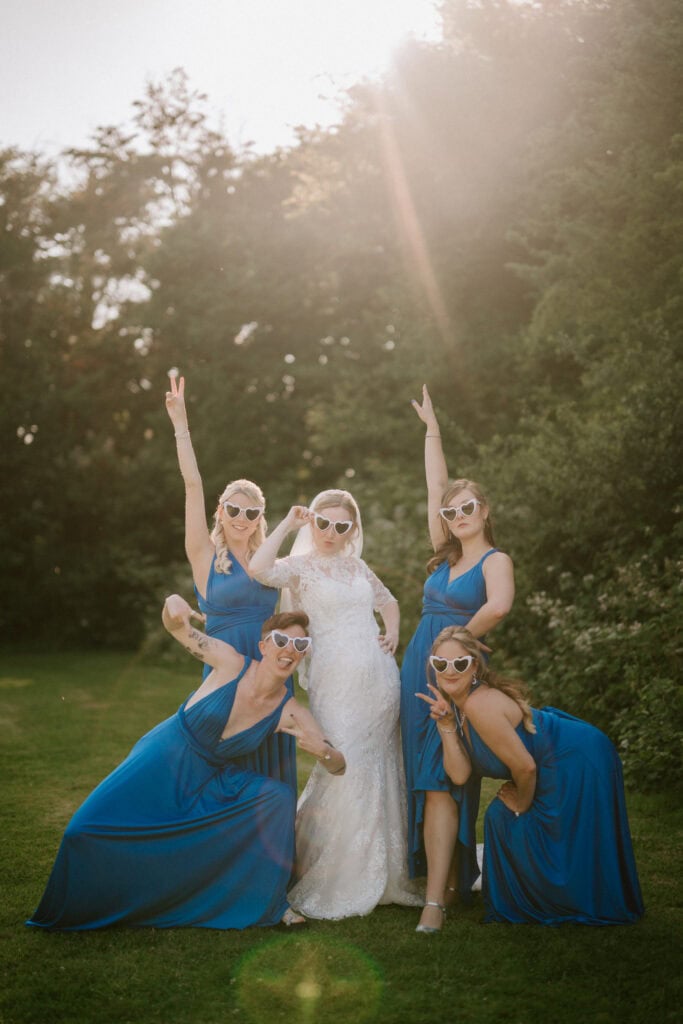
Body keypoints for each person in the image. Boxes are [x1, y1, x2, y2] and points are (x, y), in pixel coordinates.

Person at [26, 601, 345, 931]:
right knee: (83, 830)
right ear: (264, 645)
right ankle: (84, 902)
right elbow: (180, 629)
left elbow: (339, 765)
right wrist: (171, 607)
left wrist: (323, 752)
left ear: (304, 654)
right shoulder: (230, 663)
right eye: (281, 640)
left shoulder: (290, 711)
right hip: (164, 756)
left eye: (300, 644)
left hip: (211, 776)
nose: (289, 650)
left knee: (276, 797)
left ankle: (271, 901)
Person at [249, 490, 422, 919]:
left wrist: (393, 633)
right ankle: (337, 872)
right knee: (343, 762)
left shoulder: (357, 565)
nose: (330, 532)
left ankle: (387, 870)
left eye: (341, 526)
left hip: (381, 680)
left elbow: (389, 601)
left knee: (381, 763)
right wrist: (288, 523)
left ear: (352, 530)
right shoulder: (299, 568)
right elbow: (258, 568)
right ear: (312, 524)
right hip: (335, 681)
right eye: (323, 523)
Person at [419, 626, 644, 926]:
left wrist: (521, 803)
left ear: (473, 666)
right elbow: (460, 775)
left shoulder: (479, 704)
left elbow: (525, 767)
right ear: (432, 666)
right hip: (553, 762)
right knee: (498, 817)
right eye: (441, 664)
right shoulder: (459, 709)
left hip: (576, 758)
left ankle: (561, 900)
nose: (450, 671)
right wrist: (445, 725)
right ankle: (545, 900)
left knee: (506, 816)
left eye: (459, 663)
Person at [400, 385, 515, 933]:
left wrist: (455, 647)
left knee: (445, 774)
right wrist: (432, 432)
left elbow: (500, 604)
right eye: (453, 511)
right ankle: (437, 876)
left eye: (468, 507)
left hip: (453, 674)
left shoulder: (496, 559)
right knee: (422, 775)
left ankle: (438, 898)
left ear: (484, 511)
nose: (459, 514)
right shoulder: (443, 554)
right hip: (415, 667)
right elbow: (433, 487)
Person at [165, 373, 295, 790]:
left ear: (261, 518)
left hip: (270, 668)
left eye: (251, 513)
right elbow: (191, 483)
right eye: (233, 510)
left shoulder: (271, 560)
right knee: (223, 770)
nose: (242, 519)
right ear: (220, 511)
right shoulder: (204, 555)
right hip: (225, 672)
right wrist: (180, 425)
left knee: (270, 769)